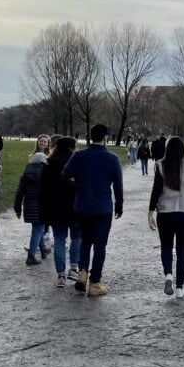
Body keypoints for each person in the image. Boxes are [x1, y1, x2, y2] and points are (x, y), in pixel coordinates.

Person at [61, 123, 123, 296]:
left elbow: (64, 175)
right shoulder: (112, 159)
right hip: (103, 207)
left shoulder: (79, 156)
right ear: (106, 137)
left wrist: (79, 184)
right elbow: (118, 185)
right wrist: (119, 204)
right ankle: (95, 282)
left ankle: (82, 273)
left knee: (85, 241)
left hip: (83, 206)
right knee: (100, 245)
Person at [148, 137, 184, 299]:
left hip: (166, 213)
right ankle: (180, 288)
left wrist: (150, 212)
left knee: (166, 247)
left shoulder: (160, 166)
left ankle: (168, 275)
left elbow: (156, 190)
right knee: (182, 250)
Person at [41, 136, 82, 287]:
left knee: (59, 240)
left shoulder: (49, 165)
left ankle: (60, 276)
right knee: (77, 238)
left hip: (55, 208)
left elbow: (43, 190)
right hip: (75, 207)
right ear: (72, 148)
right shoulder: (76, 164)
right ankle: (74, 268)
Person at [14, 152, 49, 265]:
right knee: (38, 229)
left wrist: (18, 208)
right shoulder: (46, 172)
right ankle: (31, 256)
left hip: (29, 205)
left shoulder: (26, 173)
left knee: (39, 227)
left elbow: (19, 193)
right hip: (42, 205)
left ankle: (43, 249)